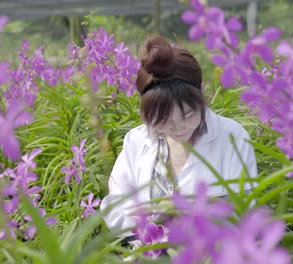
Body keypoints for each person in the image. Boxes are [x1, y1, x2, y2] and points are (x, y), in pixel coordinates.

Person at [100, 36, 257, 236]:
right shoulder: (136, 140)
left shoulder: (232, 136)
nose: (178, 128)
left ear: (201, 99)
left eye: (188, 115)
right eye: (163, 119)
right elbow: (115, 206)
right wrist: (150, 220)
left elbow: (245, 208)